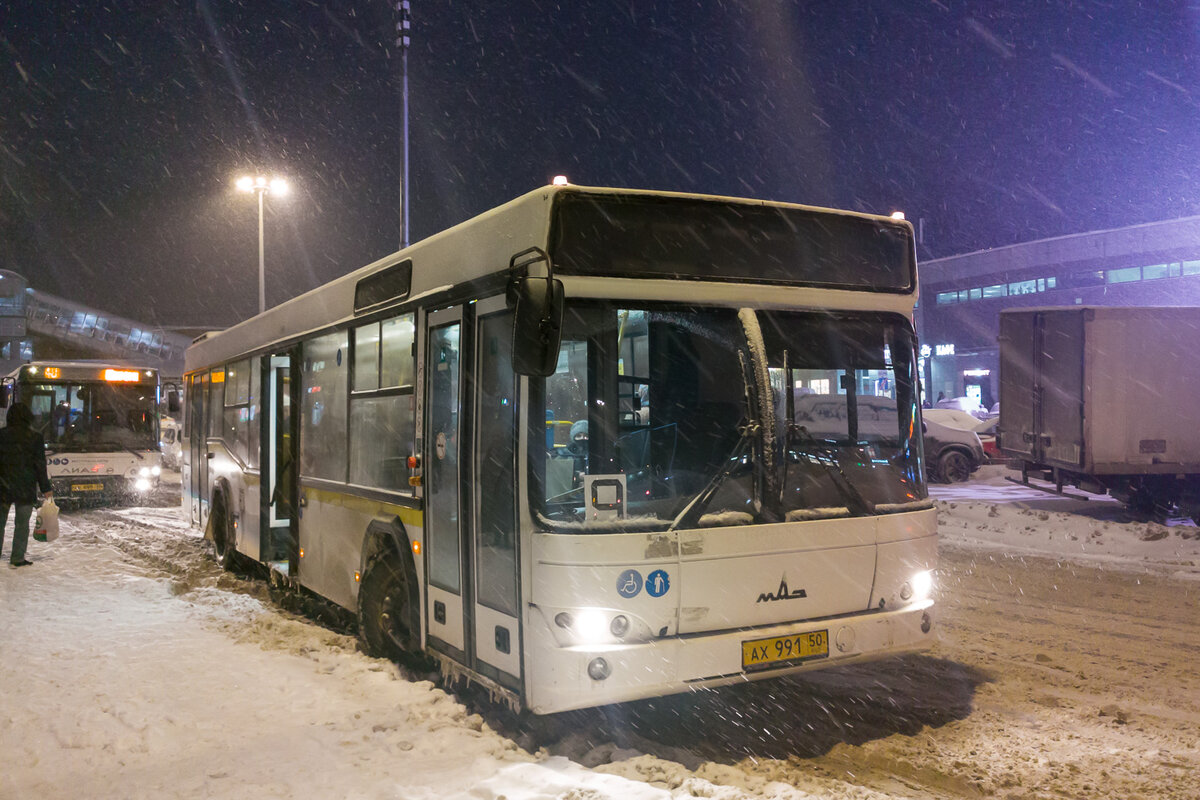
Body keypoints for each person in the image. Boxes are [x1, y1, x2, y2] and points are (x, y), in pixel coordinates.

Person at [0, 402, 54, 567]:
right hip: (25, 487)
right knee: (22, 525)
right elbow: (40, 465)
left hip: (2, 487)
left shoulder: (1, 435)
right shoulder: (35, 437)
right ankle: (17, 558)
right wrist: (46, 488)